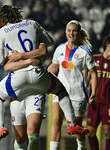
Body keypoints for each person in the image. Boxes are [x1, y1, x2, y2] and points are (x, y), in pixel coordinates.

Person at [0, 5, 88, 149]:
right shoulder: (33, 24)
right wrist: (35, 50)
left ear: (3, 19)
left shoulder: (0, 33)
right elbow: (50, 42)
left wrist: (14, 55)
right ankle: (72, 125)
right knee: (61, 91)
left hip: (18, 79)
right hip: (38, 75)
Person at [47, 20, 97, 150]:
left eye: (74, 31)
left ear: (79, 33)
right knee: (56, 122)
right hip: (60, 92)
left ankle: (80, 148)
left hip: (78, 94)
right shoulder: (59, 49)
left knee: (76, 127)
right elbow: (53, 67)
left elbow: (93, 74)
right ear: (65, 32)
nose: (71, 33)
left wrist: (93, 93)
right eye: (69, 30)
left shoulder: (85, 52)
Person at [87, 34, 110, 150]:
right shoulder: (94, 59)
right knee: (90, 133)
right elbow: (86, 79)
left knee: (107, 132)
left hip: (108, 103)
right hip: (94, 102)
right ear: (107, 44)